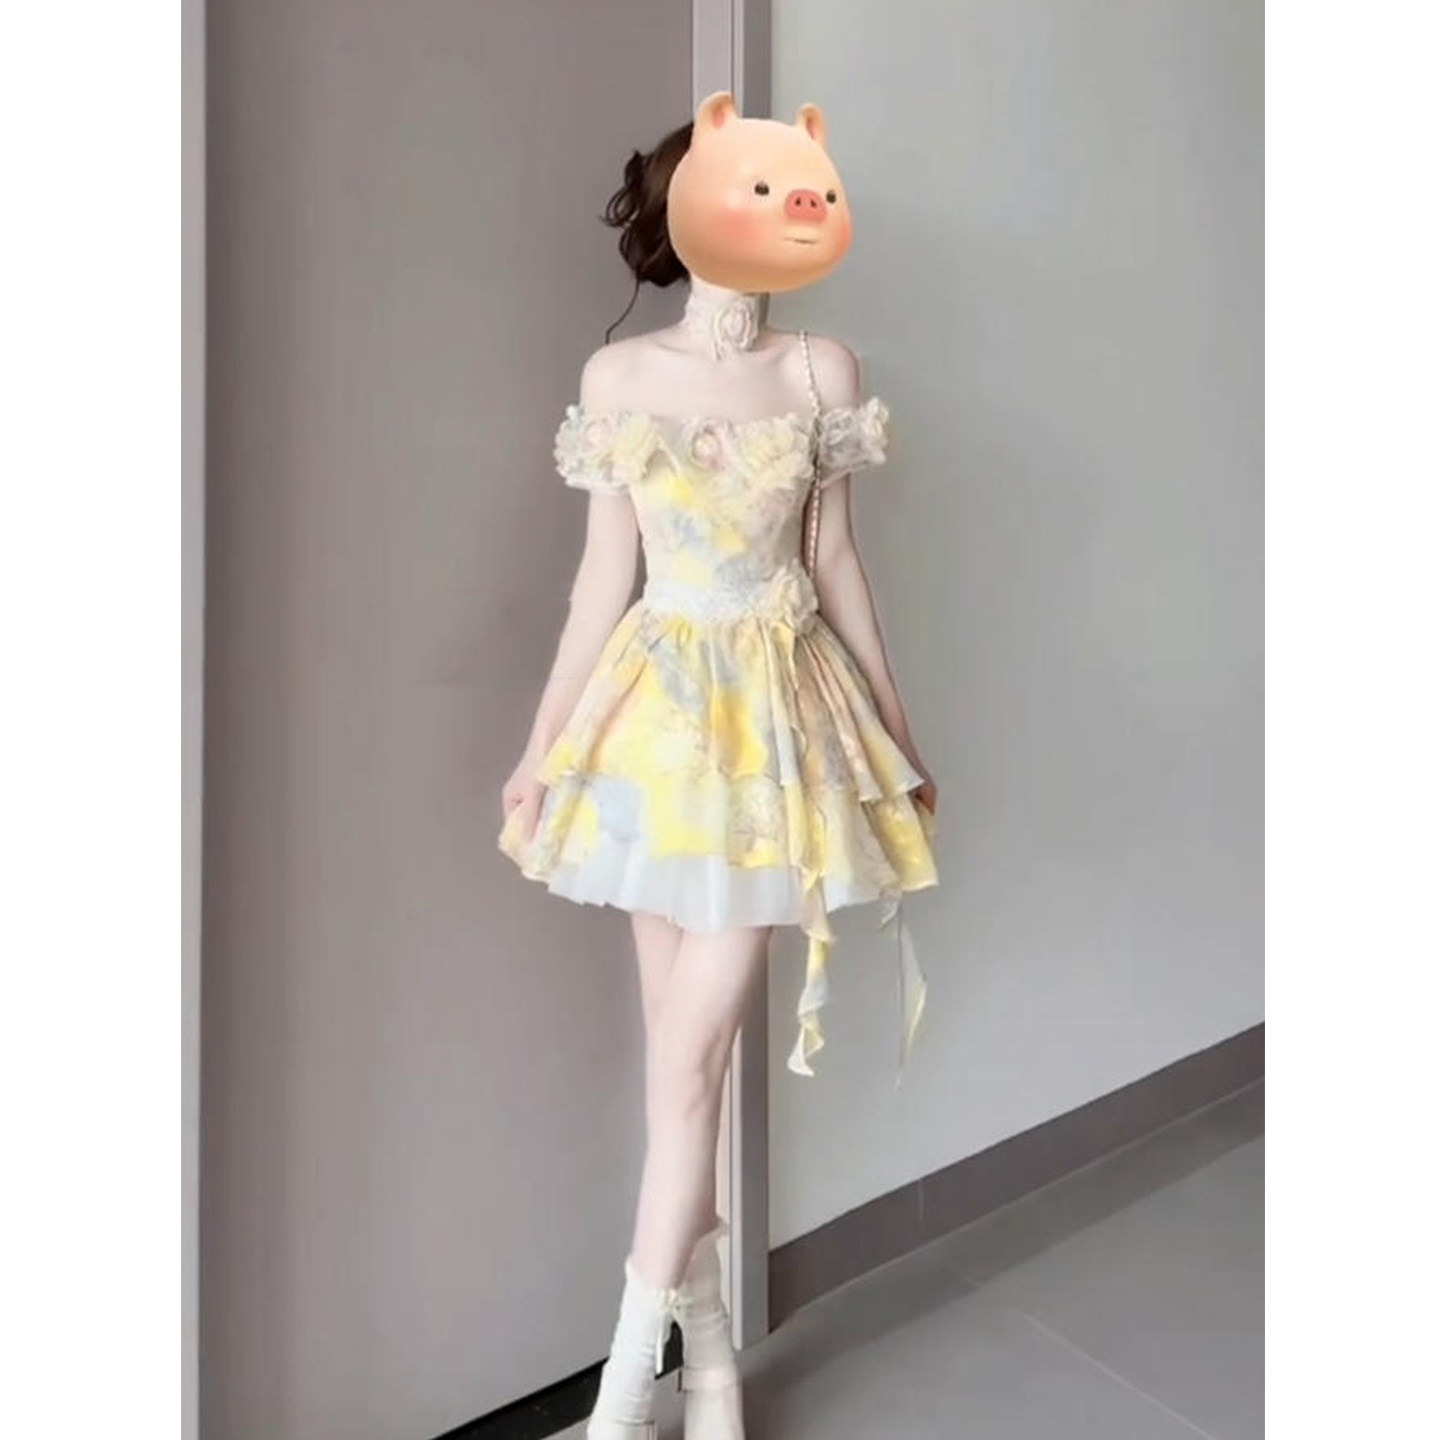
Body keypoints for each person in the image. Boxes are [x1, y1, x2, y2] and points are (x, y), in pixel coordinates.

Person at [498, 91, 938, 1440]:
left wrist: (899, 734)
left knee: (688, 1072)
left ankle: (622, 1398)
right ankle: (714, 1376)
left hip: (778, 740)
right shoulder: (620, 381)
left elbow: (835, 560)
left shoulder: (823, 373)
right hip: (649, 735)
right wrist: (540, 749)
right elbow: (603, 581)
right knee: (677, 1074)